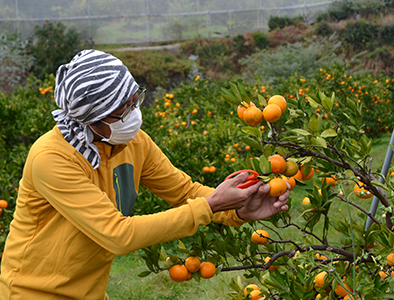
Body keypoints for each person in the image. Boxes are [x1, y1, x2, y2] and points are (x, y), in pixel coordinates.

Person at [0, 49, 289, 299]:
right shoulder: (52, 158)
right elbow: (118, 235)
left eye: (134, 101)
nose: (134, 113)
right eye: (122, 110)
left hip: (89, 292)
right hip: (31, 292)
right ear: (92, 119)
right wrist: (211, 206)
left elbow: (185, 192)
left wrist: (238, 209)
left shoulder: (134, 142)